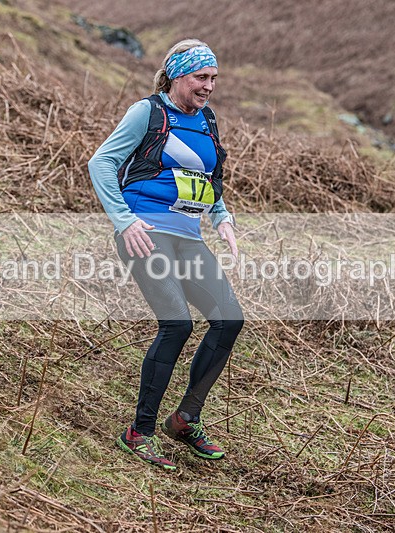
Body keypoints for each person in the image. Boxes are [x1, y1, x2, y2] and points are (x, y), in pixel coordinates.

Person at [88, 38, 244, 471]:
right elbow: (101, 163)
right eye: (200, 77)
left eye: (213, 78)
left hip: (188, 238)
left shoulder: (208, 121)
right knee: (176, 324)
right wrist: (124, 220)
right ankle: (139, 431)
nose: (208, 86)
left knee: (230, 319)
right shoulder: (148, 112)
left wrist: (223, 218)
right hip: (146, 233)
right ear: (177, 75)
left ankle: (185, 418)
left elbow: (207, 180)